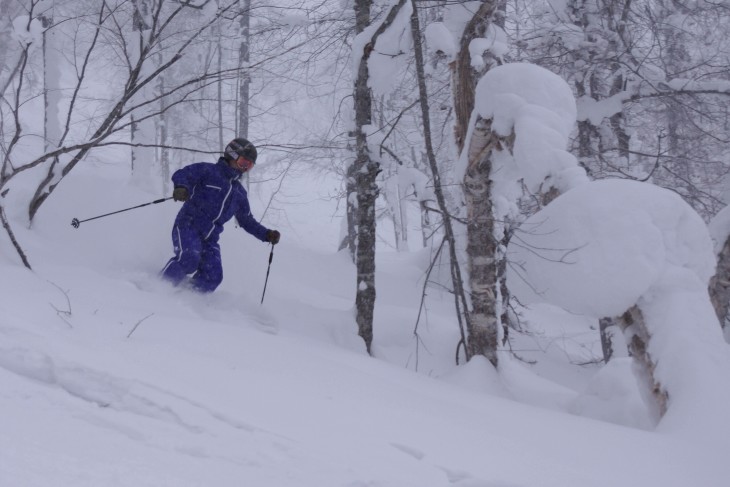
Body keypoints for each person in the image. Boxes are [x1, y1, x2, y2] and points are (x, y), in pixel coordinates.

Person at [160, 138, 280, 292]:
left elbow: (247, 220)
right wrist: (182, 187)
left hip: (210, 239)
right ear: (232, 155)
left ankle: (187, 300)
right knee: (189, 259)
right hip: (187, 226)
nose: (244, 168)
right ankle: (159, 290)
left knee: (213, 276)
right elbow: (184, 174)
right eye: (244, 162)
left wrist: (266, 234)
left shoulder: (239, 193)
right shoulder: (209, 171)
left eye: (249, 166)